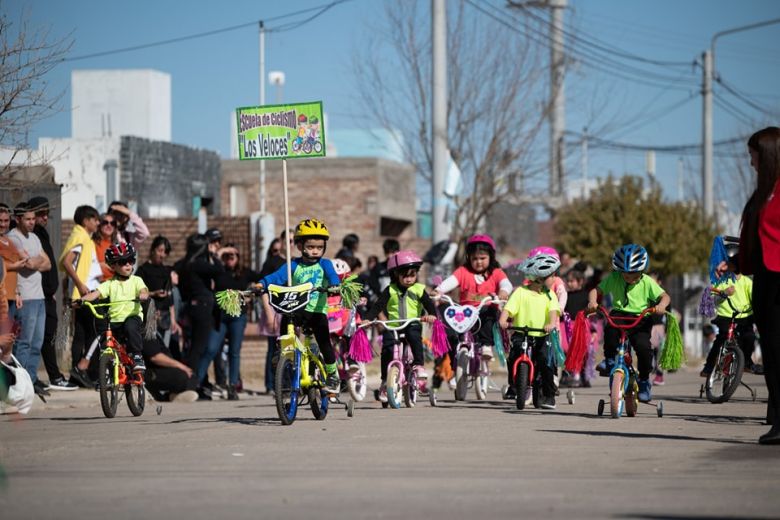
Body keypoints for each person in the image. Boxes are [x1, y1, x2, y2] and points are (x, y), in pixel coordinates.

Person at [258, 218, 341, 394]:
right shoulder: (293, 265)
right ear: (299, 246)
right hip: (297, 307)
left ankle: (333, 375)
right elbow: (276, 277)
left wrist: (334, 285)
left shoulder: (324, 264)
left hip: (317, 311)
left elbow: (333, 276)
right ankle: (281, 352)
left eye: (319, 247)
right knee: (285, 319)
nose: (315, 251)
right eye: (311, 247)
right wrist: (262, 284)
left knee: (324, 342)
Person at [737, 126, 780, 444]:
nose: (750, 161)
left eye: (753, 155)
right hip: (765, 281)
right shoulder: (764, 191)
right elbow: (756, 241)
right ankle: (777, 420)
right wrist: (736, 262)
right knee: (774, 355)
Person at [587, 244, 670, 403]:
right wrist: (592, 301)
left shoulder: (647, 282)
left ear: (642, 270)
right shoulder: (614, 278)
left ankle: (644, 381)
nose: (630, 279)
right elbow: (596, 291)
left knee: (644, 349)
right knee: (611, 330)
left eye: (634, 275)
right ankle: (610, 360)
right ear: (619, 271)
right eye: (626, 275)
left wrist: (661, 305)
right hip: (620, 314)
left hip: (641, 318)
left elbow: (665, 296)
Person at [365, 250, 436, 403]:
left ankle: (418, 365)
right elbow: (378, 306)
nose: (409, 279)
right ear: (396, 275)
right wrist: (368, 319)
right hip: (393, 326)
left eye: (413, 275)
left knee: (414, 337)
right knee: (387, 348)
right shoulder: (390, 290)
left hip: (412, 323)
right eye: (405, 276)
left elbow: (429, 304)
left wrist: (432, 314)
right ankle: (385, 380)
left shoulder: (419, 289)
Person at [434, 235, 512, 360]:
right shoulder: (463, 271)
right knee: (448, 315)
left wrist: (503, 291)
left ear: (490, 257)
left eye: (482, 258)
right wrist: (439, 290)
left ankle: (486, 345)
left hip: (486, 311)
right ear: (468, 258)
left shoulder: (496, 272)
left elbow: (506, 283)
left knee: (488, 312)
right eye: (474, 258)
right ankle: (456, 360)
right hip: (466, 313)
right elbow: (451, 281)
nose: (479, 261)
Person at [499, 253, 561, 409]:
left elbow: (554, 312)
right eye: (552, 276)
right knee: (513, 356)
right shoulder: (521, 292)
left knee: (546, 361)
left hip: (542, 334)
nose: (554, 280)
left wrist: (551, 324)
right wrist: (503, 320)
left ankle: (548, 395)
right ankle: (514, 387)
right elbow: (508, 309)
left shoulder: (550, 295)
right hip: (522, 333)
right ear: (540, 278)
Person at [199, 243, 260, 400]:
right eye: (226, 256)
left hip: (238, 316)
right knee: (211, 349)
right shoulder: (219, 271)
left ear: (238, 258)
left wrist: (251, 294)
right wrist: (222, 252)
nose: (229, 259)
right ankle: (196, 383)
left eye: (232, 256)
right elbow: (210, 265)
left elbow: (261, 280)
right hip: (220, 317)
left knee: (234, 351)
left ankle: (232, 385)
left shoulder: (244, 272)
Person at [28, 196, 77, 390]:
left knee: (47, 335)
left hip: (47, 295)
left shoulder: (42, 234)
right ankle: (43, 377)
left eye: (46, 214)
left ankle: (53, 376)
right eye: (40, 214)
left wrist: (51, 291)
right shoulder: (31, 237)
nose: (44, 218)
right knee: (37, 338)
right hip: (36, 295)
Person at [77, 242, 149, 372]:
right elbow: (95, 294)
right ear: (113, 266)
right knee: (104, 341)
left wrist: (143, 295)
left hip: (131, 317)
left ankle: (137, 356)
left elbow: (143, 290)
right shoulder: (109, 284)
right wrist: (80, 301)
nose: (128, 264)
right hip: (115, 321)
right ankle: (105, 373)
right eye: (123, 262)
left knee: (130, 326)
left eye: (130, 260)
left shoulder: (136, 280)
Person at [8, 202, 52, 397]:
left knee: (37, 342)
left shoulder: (34, 237)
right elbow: (30, 262)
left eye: (33, 219)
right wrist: (34, 262)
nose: (32, 222)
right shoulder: (13, 238)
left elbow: (47, 263)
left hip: (39, 295)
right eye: (27, 219)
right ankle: (19, 383)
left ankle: (32, 380)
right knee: (23, 342)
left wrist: (34, 262)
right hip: (25, 297)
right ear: (17, 219)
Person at [174, 234, 223, 399]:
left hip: (191, 306)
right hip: (202, 307)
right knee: (198, 349)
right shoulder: (199, 264)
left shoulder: (185, 264)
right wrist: (216, 255)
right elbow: (219, 270)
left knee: (193, 347)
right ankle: (190, 385)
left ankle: (191, 383)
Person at [59, 205, 102, 388]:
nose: (98, 223)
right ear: (86, 221)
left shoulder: (85, 238)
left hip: (87, 291)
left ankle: (79, 373)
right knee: (99, 329)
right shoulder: (80, 237)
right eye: (95, 220)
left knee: (82, 333)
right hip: (87, 293)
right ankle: (82, 367)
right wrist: (80, 285)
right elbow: (68, 262)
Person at [136, 236, 181, 347]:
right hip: (149, 315)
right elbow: (137, 294)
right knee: (151, 347)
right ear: (153, 249)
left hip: (164, 318)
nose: (162, 255)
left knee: (164, 346)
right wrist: (153, 293)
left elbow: (170, 299)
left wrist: (173, 320)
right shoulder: (143, 270)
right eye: (160, 250)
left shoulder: (166, 271)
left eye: (165, 252)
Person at [142, 337, 198, 403]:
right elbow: (155, 357)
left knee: (192, 376)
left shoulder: (154, 333)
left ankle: (172, 396)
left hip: (158, 369)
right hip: (147, 373)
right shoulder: (145, 332)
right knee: (184, 376)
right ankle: (166, 397)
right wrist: (181, 366)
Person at [0, 203, 26, 321]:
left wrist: (17, 293)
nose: (3, 224)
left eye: (6, 221)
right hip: (1, 295)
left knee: (9, 335)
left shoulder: (9, 241)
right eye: (0, 220)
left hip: (11, 295)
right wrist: (14, 265)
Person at [93, 213, 119, 282]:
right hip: (98, 285)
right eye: (105, 223)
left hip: (115, 285)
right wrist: (101, 265)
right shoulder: (92, 243)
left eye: (112, 223)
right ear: (99, 225)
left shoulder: (117, 246)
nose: (109, 225)